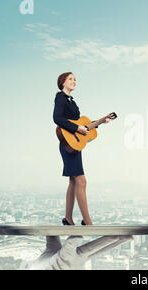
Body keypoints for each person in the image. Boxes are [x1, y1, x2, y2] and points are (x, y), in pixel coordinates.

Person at [53, 72, 110, 226]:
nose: (74, 81)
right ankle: (87, 221)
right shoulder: (60, 98)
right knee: (81, 181)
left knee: (73, 181)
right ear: (62, 82)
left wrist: (99, 122)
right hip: (67, 143)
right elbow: (57, 119)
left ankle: (68, 219)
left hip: (74, 145)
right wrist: (77, 128)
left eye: (75, 79)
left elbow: (83, 125)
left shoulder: (72, 102)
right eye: (70, 79)